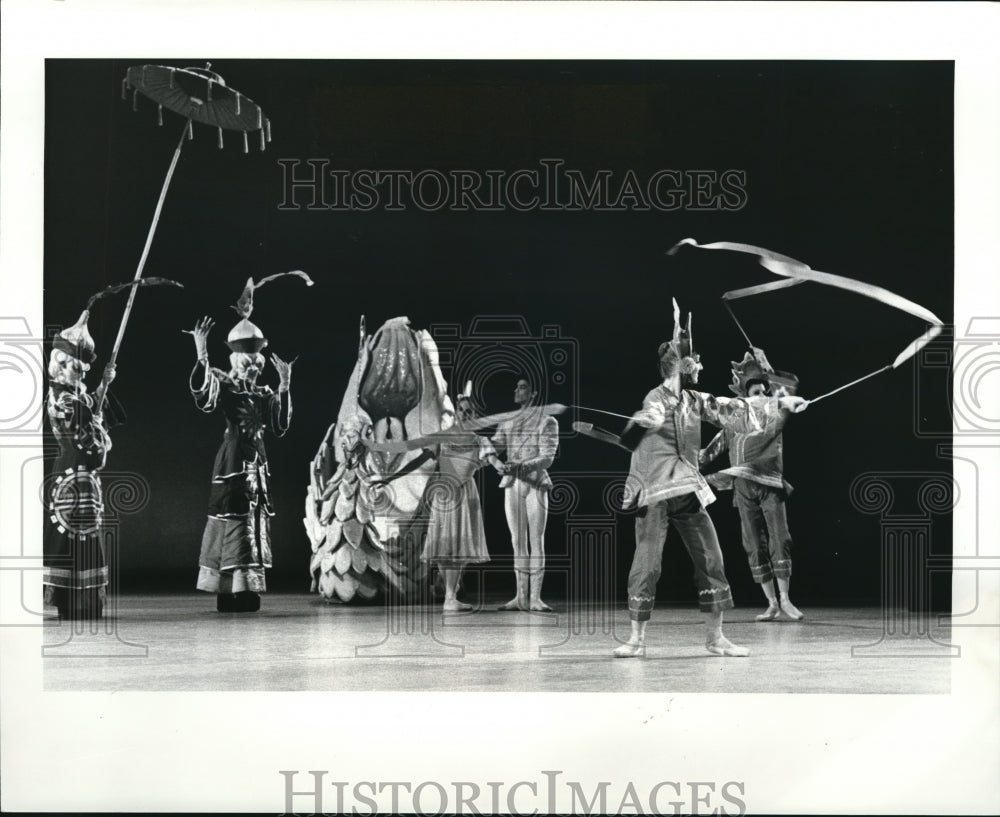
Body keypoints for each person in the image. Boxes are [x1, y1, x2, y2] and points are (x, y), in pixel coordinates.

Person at [591, 300, 807, 658]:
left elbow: (731, 408)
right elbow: (651, 412)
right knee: (648, 563)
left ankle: (715, 638)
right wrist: (642, 422)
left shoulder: (694, 399)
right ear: (680, 366)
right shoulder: (657, 398)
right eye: (695, 359)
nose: (701, 364)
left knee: (712, 556)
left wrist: (782, 404)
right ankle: (637, 640)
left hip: (687, 487)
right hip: (656, 488)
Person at [187, 274, 307, 613]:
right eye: (248, 361)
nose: (254, 367)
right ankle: (228, 589)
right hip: (233, 464)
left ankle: (247, 589)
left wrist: (284, 386)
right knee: (232, 519)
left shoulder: (262, 393)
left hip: (257, 465)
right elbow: (204, 398)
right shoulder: (227, 388)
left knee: (252, 521)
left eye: (257, 362)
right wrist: (201, 355)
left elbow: (280, 425)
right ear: (238, 362)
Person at [369, 391, 505, 611]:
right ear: (456, 413)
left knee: (461, 545)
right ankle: (450, 596)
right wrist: (389, 477)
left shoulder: (480, 440)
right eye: (461, 410)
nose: (464, 414)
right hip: (445, 492)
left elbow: (494, 460)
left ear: (475, 414)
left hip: (466, 493)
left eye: (469, 411)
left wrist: (503, 468)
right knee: (444, 544)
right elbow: (417, 454)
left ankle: (451, 594)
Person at [700, 348, 804, 621]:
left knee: (780, 540)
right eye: (753, 393)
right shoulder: (734, 422)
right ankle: (771, 603)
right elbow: (708, 453)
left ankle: (786, 600)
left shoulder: (775, 415)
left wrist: (768, 367)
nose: (759, 396)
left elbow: (786, 388)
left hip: (770, 484)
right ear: (745, 397)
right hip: (743, 489)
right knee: (753, 545)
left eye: (762, 392)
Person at [43, 310, 118, 620]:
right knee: (75, 534)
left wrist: (104, 385)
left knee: (80, 535)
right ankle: (75, 602)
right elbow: (95, 448)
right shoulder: (67, 401)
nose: (79, 374)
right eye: (78, 369)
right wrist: (98, 429)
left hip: (71, 473)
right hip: (75, 473)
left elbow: (94, 414)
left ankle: (79, 601)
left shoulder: (71, 396)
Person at [491, 377, 560, 612]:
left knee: (536, 541)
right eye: (516, 386)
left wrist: (520, 467)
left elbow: (548, 457)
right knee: (516, 542)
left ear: (533, 393)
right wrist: (485, 451)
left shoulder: (546, 421)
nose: (516, 390)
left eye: (522, 387)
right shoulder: (508, 421)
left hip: (535, 484)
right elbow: (494, 447)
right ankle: (520, 597)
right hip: (512, 485)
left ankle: (535, 598)